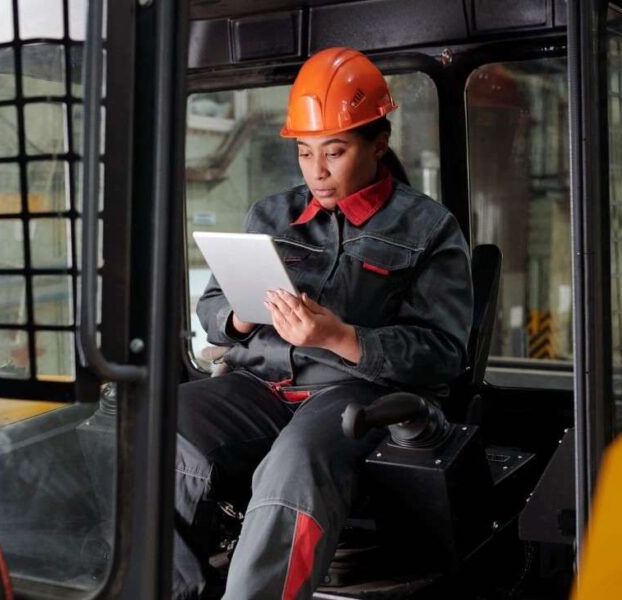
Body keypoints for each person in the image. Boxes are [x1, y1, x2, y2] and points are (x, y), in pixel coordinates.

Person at [174, 47, 473, 599]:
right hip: (257, 385)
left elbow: (443, 354)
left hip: (354, 392)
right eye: (305, 152)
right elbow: (212, 309)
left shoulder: (429, 229)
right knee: (152, 429)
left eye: (334, 152)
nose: (317, 171)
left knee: (296, 466)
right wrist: (238, 317)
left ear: (378, 143)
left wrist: (339, 337)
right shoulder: (270, 215)